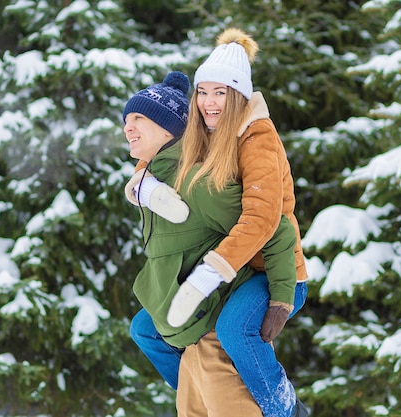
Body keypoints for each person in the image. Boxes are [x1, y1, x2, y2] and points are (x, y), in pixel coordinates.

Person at [126, 28, 309, 417]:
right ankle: (201, 391)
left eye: (220, 92)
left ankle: (284, 408)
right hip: (236, 267)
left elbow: (264, 221)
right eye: (203, 92)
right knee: (147, 327)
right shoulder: (206, 132)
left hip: (273, 271)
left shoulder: (256, 136)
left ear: (239, 95)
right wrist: (143, 186)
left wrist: (209, 275)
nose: (210, 102)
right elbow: (161, 152)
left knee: (233, 330)